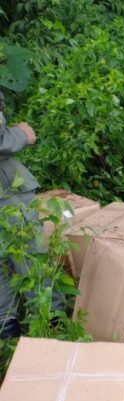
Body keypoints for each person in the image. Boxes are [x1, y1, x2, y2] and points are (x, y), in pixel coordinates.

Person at [0, 89, 48, 339]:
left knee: (3, 270)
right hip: (6, 193)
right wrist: (21, 134)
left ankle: (9, 347)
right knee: (32, 259)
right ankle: (52, 335)